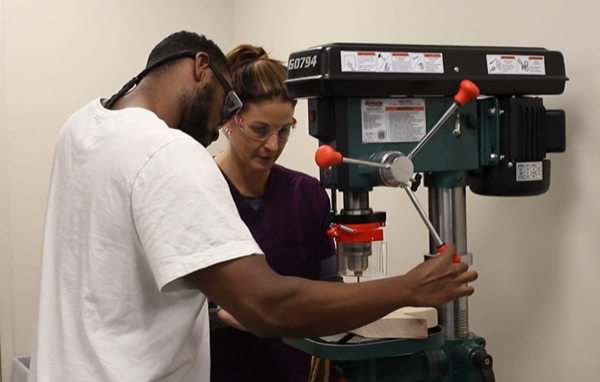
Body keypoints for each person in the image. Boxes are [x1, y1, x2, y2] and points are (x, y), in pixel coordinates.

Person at [28, 30, 478, 382]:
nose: (216, 126)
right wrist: (409, 288)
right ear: (201, 68)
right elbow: (267, 308)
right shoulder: (168, 153)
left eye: (284, 131)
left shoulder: (82, 126)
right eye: (231, 107)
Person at [208, 44, 341, 382]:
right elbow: (170, 301)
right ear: (229, 119)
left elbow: (328, 287)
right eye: (260, 129)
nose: (273, 145)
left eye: (284, 130)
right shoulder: (197, 192)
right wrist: (224, 314)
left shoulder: (307, 195)